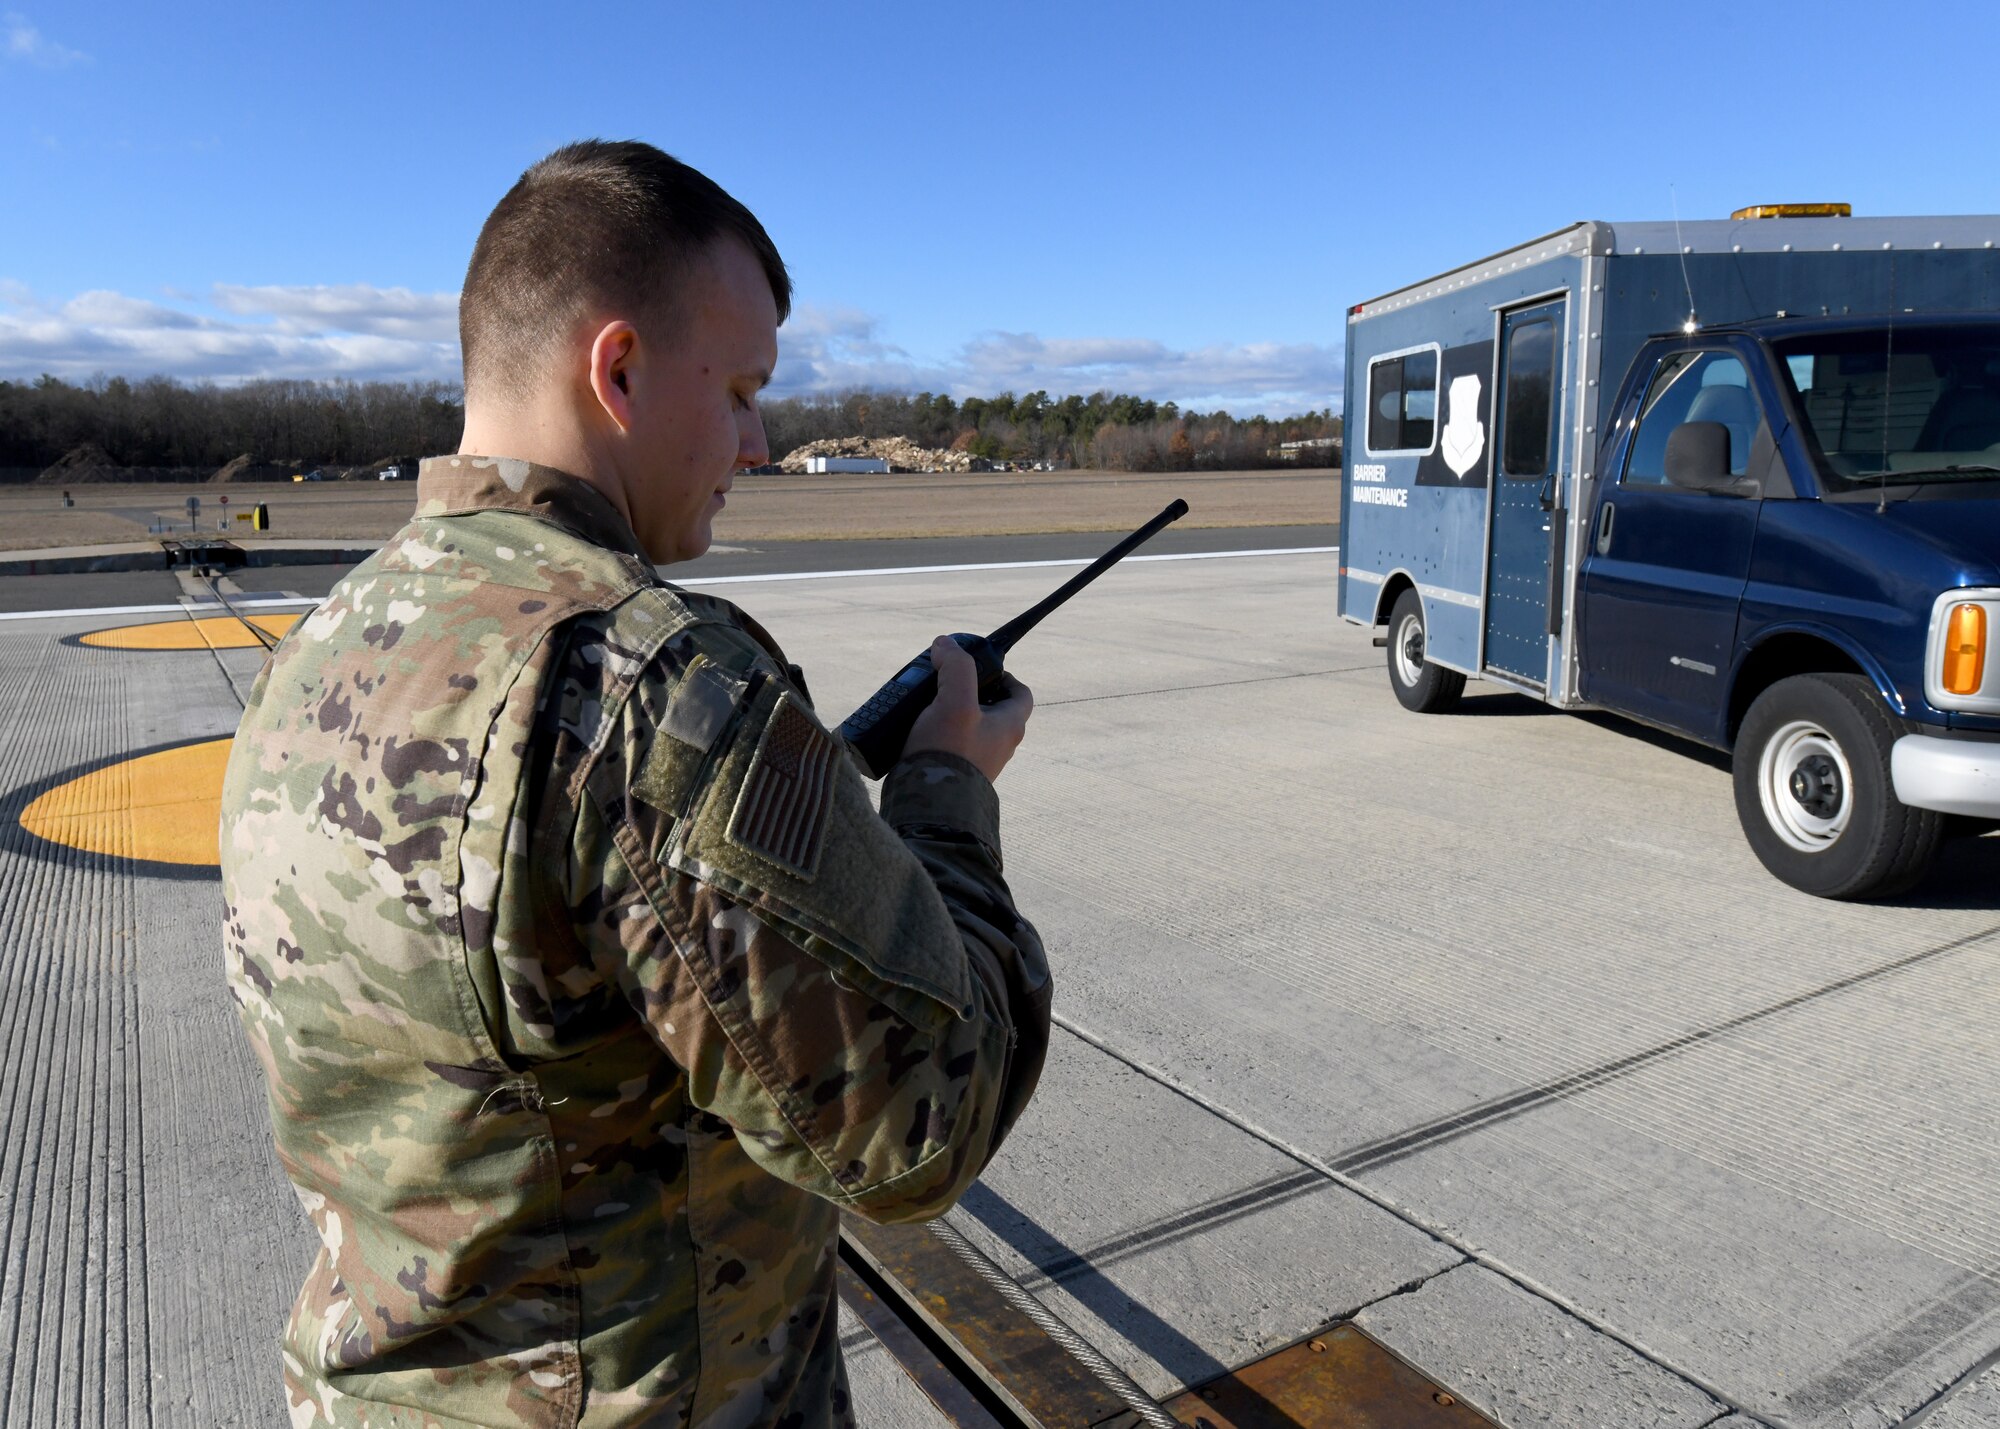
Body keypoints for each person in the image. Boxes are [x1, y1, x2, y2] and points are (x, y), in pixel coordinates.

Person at [220, 139, 1050, 1428]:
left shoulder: (321, 647)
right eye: (738, 391)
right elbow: (920, 1125)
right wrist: (945, 797)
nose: (759, 442)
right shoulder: (654, 687)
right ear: (616, 371)